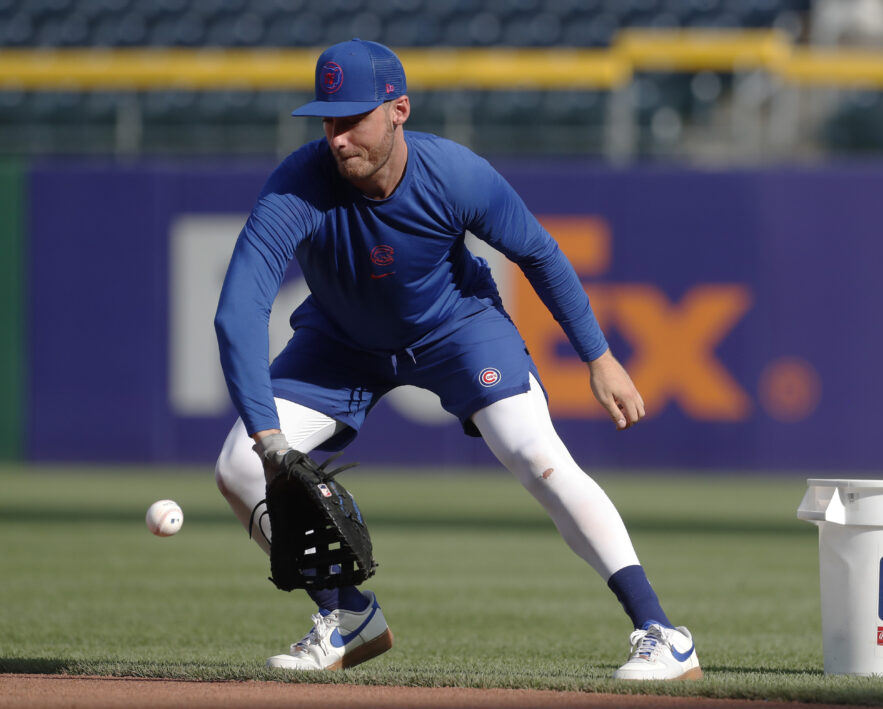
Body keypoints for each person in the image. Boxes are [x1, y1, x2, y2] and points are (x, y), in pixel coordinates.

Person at [213, 38, 702, 681]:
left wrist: (599, 356)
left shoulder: (454, 174)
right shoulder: (299, 186)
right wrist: (269, 440)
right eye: (328, 120)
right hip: (339, 342)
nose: (337, 138)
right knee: (239, 469)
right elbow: (237, 311)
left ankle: (662, 633)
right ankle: (349, 617)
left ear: (399, 110)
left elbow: (540, 254)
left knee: (536, 456)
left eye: (354, 118)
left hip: (457, 327)